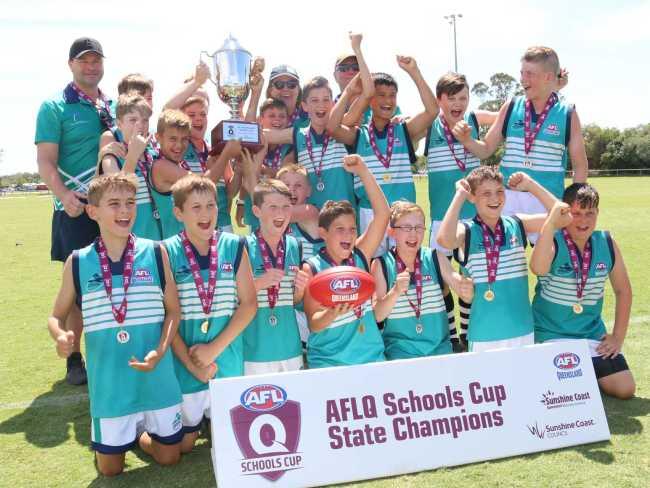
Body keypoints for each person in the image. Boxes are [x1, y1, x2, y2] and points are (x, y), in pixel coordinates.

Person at [46, 173, 183, 476]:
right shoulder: (78, 261)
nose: (125, 211)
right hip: (109, 383)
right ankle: (124, 435)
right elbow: (56, 316)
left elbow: (174, 311)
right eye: (114, 204)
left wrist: (161, 350)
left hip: (155, 376)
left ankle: (139, 435)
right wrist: (61, 336)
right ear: (93, 212)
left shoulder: (156, 252)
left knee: (170, 457)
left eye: (130, 203)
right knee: (110, 470)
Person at [35, 37, 114, 385]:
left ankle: (112, 351)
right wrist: (64, 194)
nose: (91, 66)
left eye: (96, 60)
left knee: (116, 282)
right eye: (84, 61)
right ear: (71, 64)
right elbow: (45, 161)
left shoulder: (111, 104)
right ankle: (74, 359)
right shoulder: (54, 106)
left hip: (113, 209)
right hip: (75, 209)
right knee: (79, 288)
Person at [451, 46, 588, 242]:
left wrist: (577, 206)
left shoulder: (568, 113)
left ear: (549, 77)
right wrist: (467, 140)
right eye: (522, 73)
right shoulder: (511, 106)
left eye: (530, 74)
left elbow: (580, 165)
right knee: (500, 262)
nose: (523, 79)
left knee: (548, 265)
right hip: (507, 197)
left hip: (547, 199)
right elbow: (486, 149)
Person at [163, 174, 257, 451]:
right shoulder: (166, 252)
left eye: (211, 206)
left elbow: (249, 304)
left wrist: (213, 349)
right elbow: (168, 316)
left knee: (231, 444)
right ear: (179, 213)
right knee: (182, 447)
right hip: (186, 365)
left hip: (225, 361)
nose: (206, 214)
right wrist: (193, 364)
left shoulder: (234, 245)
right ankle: (144, 432)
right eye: (196, 207)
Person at [329, 45, 438, 255]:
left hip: (404, 214)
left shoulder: (403, 130)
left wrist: (414, 72)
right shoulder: (358, 135)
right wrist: (351, 91)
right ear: (370, 100)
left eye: (392, 95)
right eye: (381, 95)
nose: (388, 101)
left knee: (403, 268)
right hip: (370, 214)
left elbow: (432, 110)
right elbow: (332, 128)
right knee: (372, 269)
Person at [530, 183, 635, 399]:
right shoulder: (553, 240)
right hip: (551, 334)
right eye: (576, 213)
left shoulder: (606, 242)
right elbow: (537, 268)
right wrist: (550, 224)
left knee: (625, 388)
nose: (584, 221)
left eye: (590, 213)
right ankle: (581, 373)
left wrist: (617, 337)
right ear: (565, 213)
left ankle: (586, 370)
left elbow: (623, 290)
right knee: (565, 393)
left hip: (591, 334)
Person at [437, 166, 558, 352]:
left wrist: (531, 185)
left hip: (522, 331)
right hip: (483, 335)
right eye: (486, 193)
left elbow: (562, 215)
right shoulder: (467, 230)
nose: (495, 198)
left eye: (499, 191)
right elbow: (444, 239)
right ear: (472, 197)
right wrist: (460, 195)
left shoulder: (518, 223)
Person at [424, 73, 497, 351]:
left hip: (474, 218)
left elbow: (505, 115)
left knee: (472, 277)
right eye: (451, 98)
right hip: (442, 217)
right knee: (442, 279)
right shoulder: (431, 125)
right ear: (440, 100)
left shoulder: (475, 119)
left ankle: (467, 335)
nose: (458, 103)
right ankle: (451, 336)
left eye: (463, 97)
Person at [302, 154, 389, 368]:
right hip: (330, 362)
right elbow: (314, 323)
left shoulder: (359, 255)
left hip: (370, 357)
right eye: (340, 230)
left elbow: (383, 214)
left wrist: (363, 171)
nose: (348, 236)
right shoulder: (312, 267)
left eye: (352, 229)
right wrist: (332, 312)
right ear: (323, 233)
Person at [371, 201, 474, 360]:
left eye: (419, 227)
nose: (413, 234)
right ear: (391, 231)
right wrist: (396, 291)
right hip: (401, 355)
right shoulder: (381, 264)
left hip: (440, 351)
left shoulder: (435, 257)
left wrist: (466, 287)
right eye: (406, 228)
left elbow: (462, 290)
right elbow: (377, 315)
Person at [243, 179, 310, 374]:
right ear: (256, 211)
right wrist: (258, 284)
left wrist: (300, 291)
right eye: (272, 207)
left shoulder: (295, 246)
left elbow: (295, 302)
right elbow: (231, 300)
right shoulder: (242, 247)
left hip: (290, 349)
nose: (280, 214)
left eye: (286, 207)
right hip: (255, 352)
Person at [265, 76, 356, 210]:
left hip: (344, 221)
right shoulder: (298, 134)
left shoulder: (343, 131)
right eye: (314, 100)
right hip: (311, 222)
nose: (321, 105)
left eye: (326, 100)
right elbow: (265, 135)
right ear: (305, 106)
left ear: (333, 104)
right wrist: (231, 131)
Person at [164, 63, 235, 232]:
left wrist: (240, 166)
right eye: (191, 115)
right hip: (193, 228)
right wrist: (225, 155)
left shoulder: (214, 148)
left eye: (203, 114)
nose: (198, 119)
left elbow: (231, 191)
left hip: (223, 225)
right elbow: (165, 112)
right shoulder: (177, 149)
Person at [149, 109, 240, 239]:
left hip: (188, 242)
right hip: (174, 246)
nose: (179, 145)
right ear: (158, 138)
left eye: (184, 139)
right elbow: (202, 183)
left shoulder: (177, 165)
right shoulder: (160, 166)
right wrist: (226, 155)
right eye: (173, 139)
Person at [97, 94, 161, 240]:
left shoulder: (154, 153)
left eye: (145, 120)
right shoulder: (111, 156)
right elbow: (118, 192)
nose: (140, 125)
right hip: (131, 243)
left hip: (159, 241)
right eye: (133, 120)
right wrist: (133, 155)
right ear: (119, 124)